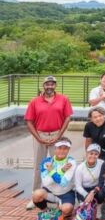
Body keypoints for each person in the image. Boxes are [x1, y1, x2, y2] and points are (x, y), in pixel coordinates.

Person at [25, 75, 73, 207]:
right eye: (47, 84)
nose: (49, 86)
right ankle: (36, 196)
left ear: (55, 85)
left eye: (52, 84)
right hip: (40, 134)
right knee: (38, 166)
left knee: (59, 165)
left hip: (57, 134)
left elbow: (67, 118)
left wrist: (59, 136)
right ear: (43, 86)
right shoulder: (35, 101)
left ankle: (58, 195)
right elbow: (29, 121)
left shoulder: (63, 99)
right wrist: (38, 137)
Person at [31, 137, 77, 220]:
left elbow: (63, 183)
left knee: (67, 209)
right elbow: (46, 183)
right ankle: (46, 210)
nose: (62, 151)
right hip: (50, 192)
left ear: (68, 150)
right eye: (59, 148)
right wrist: (61, 171)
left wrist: (51, 171)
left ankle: (60, 211)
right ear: (55, 149)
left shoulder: (71, 162)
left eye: (65, 148)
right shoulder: (46, 162)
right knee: (36, 195)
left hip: (66, 193)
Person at [74, 144, 105, 218]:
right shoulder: (80, 167)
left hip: (96, 188)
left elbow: (101, 182)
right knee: (85, 212)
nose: (93, 156)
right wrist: (86, 195)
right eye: (91, 153)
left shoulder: (102, 164)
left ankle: (98, 209)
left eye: (96, 154)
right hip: (84, 189)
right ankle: (84, 206)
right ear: (87, 153)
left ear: (99, 155)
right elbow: (78, 186)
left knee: (101, 194)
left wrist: (93, 192)